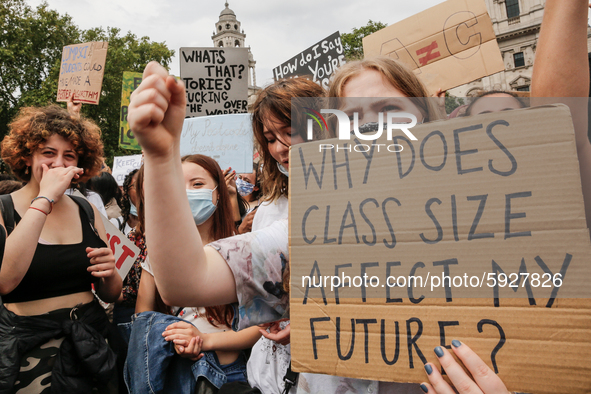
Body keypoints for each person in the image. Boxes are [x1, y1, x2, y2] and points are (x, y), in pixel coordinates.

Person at [0, 104, 123, 392]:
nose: (59, 164)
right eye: (48, 153)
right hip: (29, 352)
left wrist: (109, 273)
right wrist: (44, 199)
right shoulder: (4, 209)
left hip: (89, 345)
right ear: (27, 157)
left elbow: (110, 293)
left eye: (69, 156)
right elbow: (5, 281)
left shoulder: (87, 210)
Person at [126, 154, 261, 393]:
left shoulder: (243, 249)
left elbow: (260, 328)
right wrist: (175, 340)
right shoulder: (160, 253)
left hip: (230, 376)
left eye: (197, 184)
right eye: (178, 185)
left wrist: (204, 340)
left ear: (219, 192)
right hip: (174, 374)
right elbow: (144, 321)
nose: (187, 192)